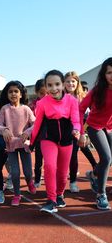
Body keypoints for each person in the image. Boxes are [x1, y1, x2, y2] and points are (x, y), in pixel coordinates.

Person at [30, 70, 80, 214]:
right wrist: (32, 142)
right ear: (45, 87)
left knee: (63, 172)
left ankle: (59, 194)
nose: (54, 88)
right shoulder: (42, 103)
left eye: (57, 84)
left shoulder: (72, 100)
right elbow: (38, 123)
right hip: (48, 139)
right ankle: (51, 200)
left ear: (63, 84)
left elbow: (76, 120)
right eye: (49, 85)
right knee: (50, 166)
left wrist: (76, 129)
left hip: (66, 139)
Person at [79, 57, 112, 210]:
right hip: (94, 126)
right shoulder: (97, 91)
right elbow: (80, 109)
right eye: (109, 72)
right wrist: (80, 132)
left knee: (109, 160)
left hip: (109, 127)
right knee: (106, 157)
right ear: (104, 75)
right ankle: (101, 194)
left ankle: (93, 174)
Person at [0, 80, 36, 207]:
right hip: (11, 145)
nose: (13, 94)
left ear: (21, 94)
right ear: (7, 94)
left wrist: (28, 132)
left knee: (28, 171)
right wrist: (4, 130)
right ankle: (17, 194)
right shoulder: (5, 109)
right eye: (10, 92)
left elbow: (35, 124)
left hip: (24, 144)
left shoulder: (26, 109)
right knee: (14, 172)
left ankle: (30, 181)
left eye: (16, 91)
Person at [64, 71, 97, 193]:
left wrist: (84, 131)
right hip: (65, 130)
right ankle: (69, 182)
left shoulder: (83, 96)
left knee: (78, 153)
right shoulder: (61, 96)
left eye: (73, 81)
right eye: (67, 81)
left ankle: (74, 181)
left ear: (77, 82)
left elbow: (90, 113)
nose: (70, 83)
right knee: (68, 156)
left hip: (79, 129)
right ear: (63, 83)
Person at [29, 79, 46, 188]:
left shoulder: (53, 102)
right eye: (41, 93)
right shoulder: (33, 105)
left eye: (46, 93)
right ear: (36, 92)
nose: (44, 96)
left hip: (51, 136)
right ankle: (37, 179)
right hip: (38, 137)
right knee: (38, 160)